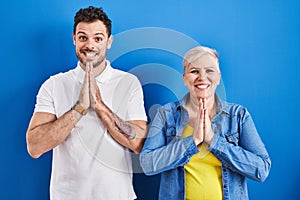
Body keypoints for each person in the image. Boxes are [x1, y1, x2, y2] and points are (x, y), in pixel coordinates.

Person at [26, 6, 147, 200]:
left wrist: (99, 106)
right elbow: (35, 146)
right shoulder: (54, 84)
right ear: (74, 39)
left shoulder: (128, 83)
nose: (90, 45)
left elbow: (139, 143)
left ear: (109, 42)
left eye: (98, 38)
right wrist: (79, 108)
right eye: (83, 37)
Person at [140, 46, 271, 200]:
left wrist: (213, 140)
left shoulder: (238, 115)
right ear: (184, 78)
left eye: (209, 70)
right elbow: (147, 164)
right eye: (194, 71)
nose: (202, 77)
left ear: (218, 76)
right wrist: (192, 142)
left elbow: (261, 170)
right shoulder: (166, 114)